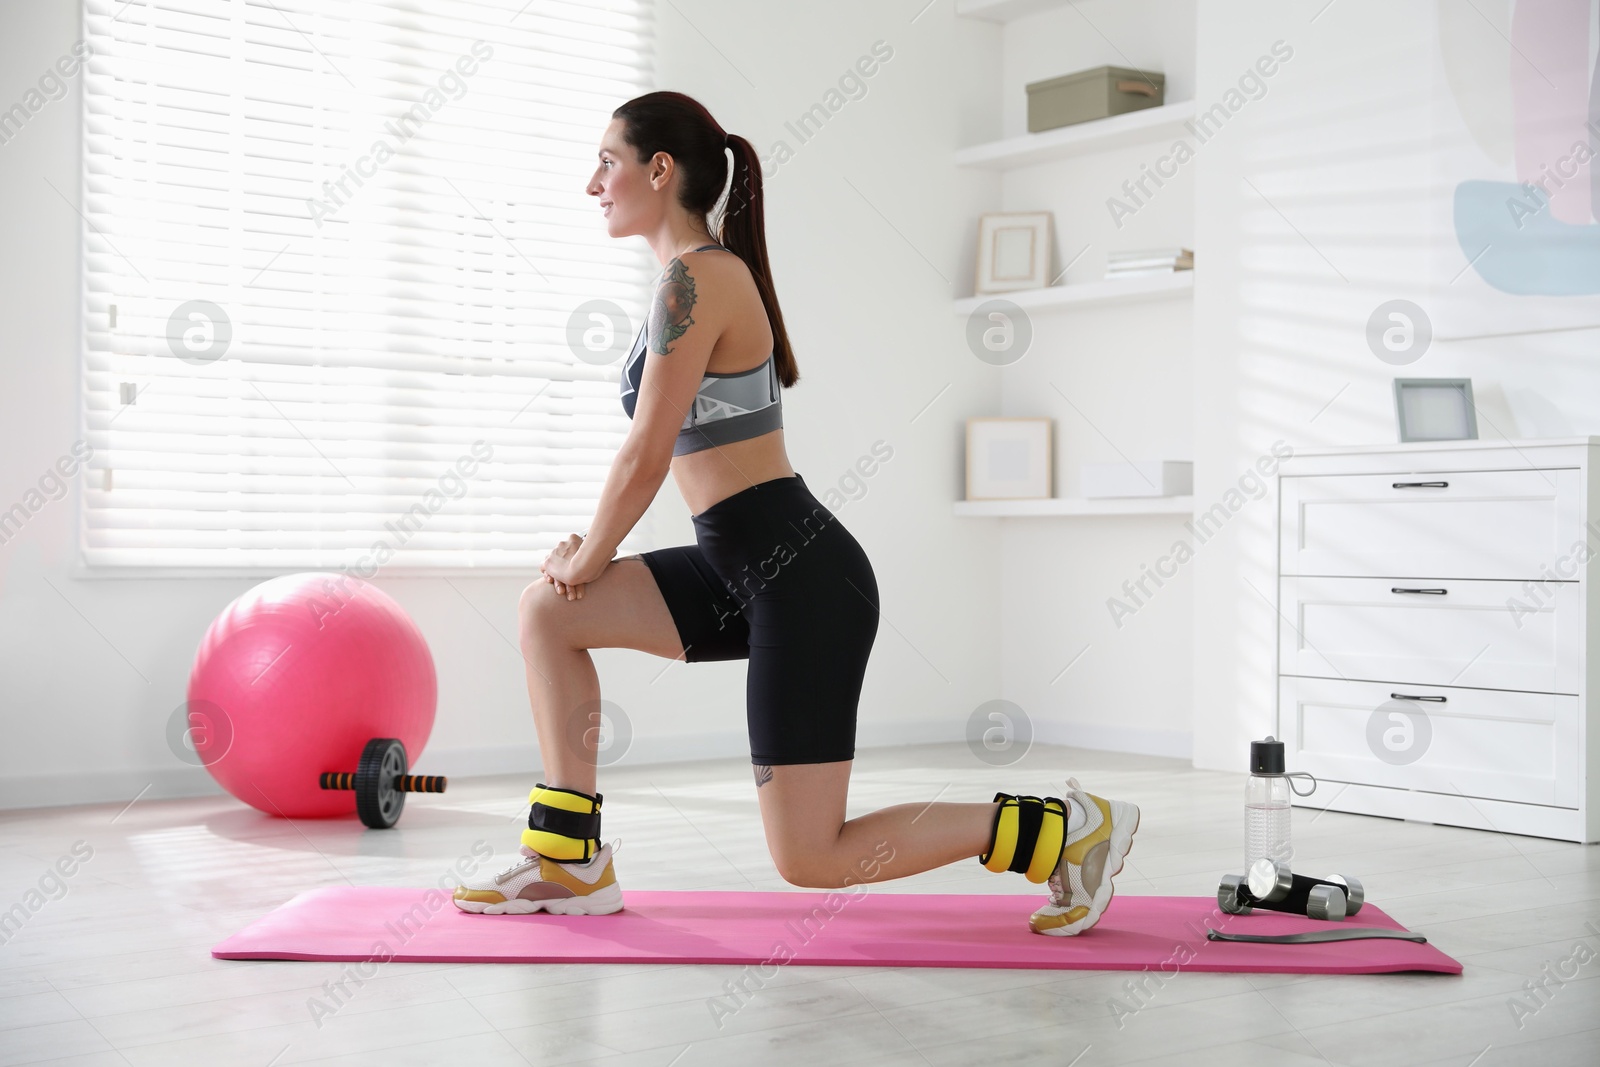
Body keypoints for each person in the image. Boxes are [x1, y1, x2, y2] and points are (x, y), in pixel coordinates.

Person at [452, 91, 1140, 936]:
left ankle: (1062, 832)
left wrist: (589, 554)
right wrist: (581, 563)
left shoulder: (698, 280)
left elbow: (646, 452)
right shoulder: (686, 281)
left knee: (811, 856)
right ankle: (568, 858)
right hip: (735, 562)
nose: (591, 181)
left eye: (607, 161)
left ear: (659, 170)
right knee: (546, 616)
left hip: (801, 575)